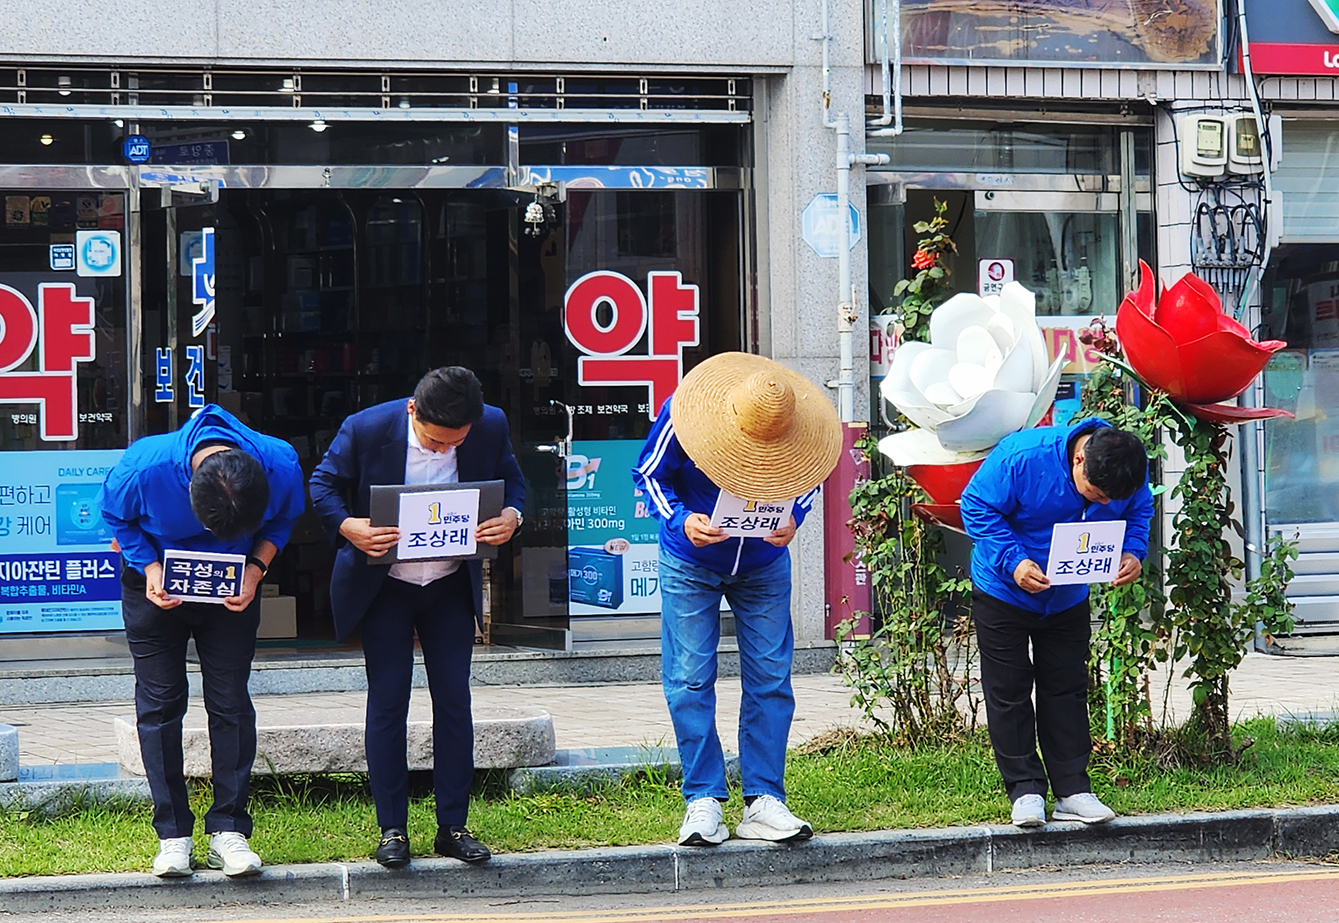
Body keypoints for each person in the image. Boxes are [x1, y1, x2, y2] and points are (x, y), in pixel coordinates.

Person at [308, 367, 524, 868]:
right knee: (388, 702)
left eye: (457, 442)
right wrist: (350, 526)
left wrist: (512, 517)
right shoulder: (366, 428)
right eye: (435, 440)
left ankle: (453, 826)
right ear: (412, 411)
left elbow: (514, 482)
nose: (445, 449)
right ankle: (392, 829)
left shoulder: (490, 424)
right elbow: (322, 485)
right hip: (387, 585)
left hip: (448, 583)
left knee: (454, 701)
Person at [632, 352, 841, 847]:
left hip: (764, 564)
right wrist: (681, 519)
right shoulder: (683, 411)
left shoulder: (801, 423)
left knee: (771, 679)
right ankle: (703, 798)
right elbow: (649, 474)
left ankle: (764, 799)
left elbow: (809, 480)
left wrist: (795, 519)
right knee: (689, 678)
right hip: (691, 559)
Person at [98, 404, 306, 879]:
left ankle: (229, 830)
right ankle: (172, 834)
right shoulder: (144, 466)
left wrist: (256, 568)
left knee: (230, 701)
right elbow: (116, 517)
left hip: (233, 589)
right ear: (190, 489)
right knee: (160, 703)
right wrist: (150, 567)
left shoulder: (280, 462)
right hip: (157, 588)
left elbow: (282, 521)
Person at [959, 417, 1153, 829]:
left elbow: (1139, 510)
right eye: (1096, 495)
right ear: (1079, 460)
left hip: (1068, 594)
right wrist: (1013, 561)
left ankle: (1072, 790)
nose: (1104, 503)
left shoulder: (1128, 467)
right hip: (1004, 589)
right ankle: (1025, 790)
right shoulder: (1021, 457)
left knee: (1067, 687)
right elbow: (975, 506)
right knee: (1009, 690)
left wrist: (1133, 551)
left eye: (1110, 499)